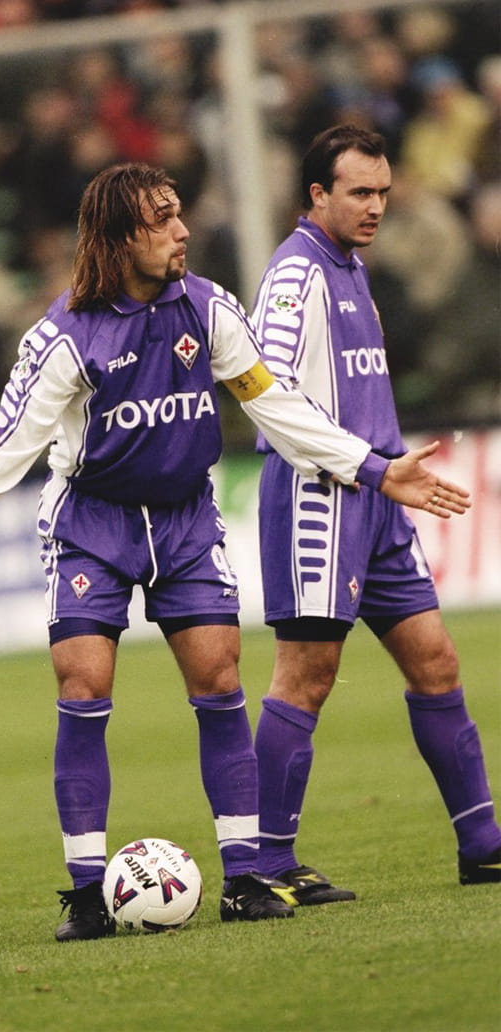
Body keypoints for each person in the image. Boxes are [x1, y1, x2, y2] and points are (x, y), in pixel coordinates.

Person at [0, 163, 470, 942]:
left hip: (184, 521)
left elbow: (276, 405)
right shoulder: (65, 335)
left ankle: (245, 878)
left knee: (220, 676)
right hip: (92, 526)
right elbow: (8, 441)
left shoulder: (207, 306)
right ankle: (84, 894)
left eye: (179, 214)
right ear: (119, 237)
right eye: (162, 219)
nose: (182, 230)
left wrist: (373, 469)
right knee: (84, 682)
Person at [250, 125, 500, 906]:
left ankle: (483, 847)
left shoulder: (353, 269)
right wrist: (367, 465)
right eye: (360, 192)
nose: (376, 207)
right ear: (316, 194)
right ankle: (264, 864)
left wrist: (384, 470)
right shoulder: (295, 275)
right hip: (320, 497)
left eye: (384, 192)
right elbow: (266, 393)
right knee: (307, 675)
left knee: (436, 663)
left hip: (380, 497)